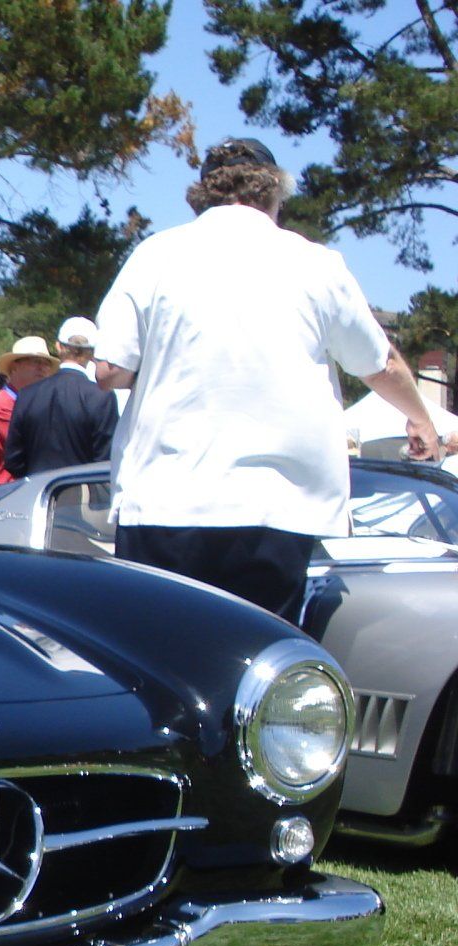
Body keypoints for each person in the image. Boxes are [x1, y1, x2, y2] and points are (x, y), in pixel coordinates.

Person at [95, 137, 444, 621]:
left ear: (202, 194)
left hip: (164, 501)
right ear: (275, 192)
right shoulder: (316, 263)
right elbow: (380, 364)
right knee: (258, 668)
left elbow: (110, 371)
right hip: (276, 508)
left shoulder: (154, 256)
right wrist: (421, 419)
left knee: (161, 663)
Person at [1, 318, 120, 480]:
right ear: (92, 354)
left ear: (58, 347)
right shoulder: (102, 397)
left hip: (37, 495)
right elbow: (106, 459)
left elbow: (13, 460)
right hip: (84, 496)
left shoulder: (26, 395)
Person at [0, 337, 59, 486]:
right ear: (14, 367)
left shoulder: (26, 402)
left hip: (25, 488)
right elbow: (32, 447)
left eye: (46, 363)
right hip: (8, 492)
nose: (42, 368)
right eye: (35, 362)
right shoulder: (3, 406)